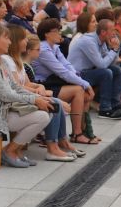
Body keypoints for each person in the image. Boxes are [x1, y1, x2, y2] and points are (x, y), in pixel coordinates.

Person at [0, 23, 54, 169]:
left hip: (2, 110)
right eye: (6, 38)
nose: (9, 41)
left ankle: (14, 151)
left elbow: (15, 87)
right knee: (42, 116)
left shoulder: (0, 61)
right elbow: (6, 94)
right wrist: (34, 99)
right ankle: (9, 151)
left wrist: (38, 98)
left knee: (47, 111)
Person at [4, 29, 75, 162]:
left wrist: (40, 87)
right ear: (16, 42)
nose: (27, 41)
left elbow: (27, 83)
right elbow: (15, 87)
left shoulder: (16, 60)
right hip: (15, 102)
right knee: (55, 104)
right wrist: (38, 94)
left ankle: (60, 142)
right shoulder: (8, 60)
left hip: (22, 97)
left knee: (55, 103)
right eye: (24, 39)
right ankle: (52, 147)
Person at [33, 19, 98, 147]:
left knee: (83, 92)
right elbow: (62, 72)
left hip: (53, 83)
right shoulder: (44, 50)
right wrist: (86, 84)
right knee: (79, 89)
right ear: (47, 34)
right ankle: (77, 133)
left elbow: (68, 66)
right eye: (56, 31)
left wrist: (79, 79)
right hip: (43, 85)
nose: (59, 34)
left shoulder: (54, 48)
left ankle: (84, 131)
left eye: (59, 31)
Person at [67, 18, 121, 119]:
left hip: (89, 71)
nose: (114, 33)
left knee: (116, 70)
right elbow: (102, 65)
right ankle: (104, 109)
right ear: (103, 32)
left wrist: (115, 48)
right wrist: (114, 50)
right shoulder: (89, 41)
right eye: (112, 30)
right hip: (77, 74)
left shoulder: (102, 40)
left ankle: (116, 105)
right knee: (106, 73)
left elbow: (112, 61)